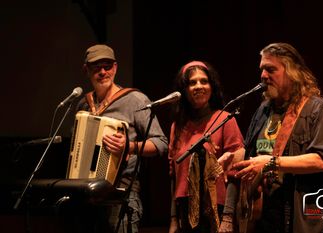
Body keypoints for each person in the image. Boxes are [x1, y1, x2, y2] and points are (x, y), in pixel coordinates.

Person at [220, 42, 323, 233]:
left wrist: (272, 163)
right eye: (261, 69)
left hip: (300, 216)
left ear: (292, 71)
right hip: (263, 217)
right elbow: (255, 150)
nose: (263, 76)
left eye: (270, 69)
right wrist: (234, 156)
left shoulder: (317, 109)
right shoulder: (264, 110)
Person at [75, 44, 168, 233]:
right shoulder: (83, 105)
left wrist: (129, 146)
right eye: (96, 67)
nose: (103, 72)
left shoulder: (135, 99)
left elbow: (161, 143)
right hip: (86, 195)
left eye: (107, 66)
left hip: (121, 194)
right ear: (86, 70)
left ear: (115, 68)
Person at [168, 61, 245, 233]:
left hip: (217, 210)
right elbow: (173, 175)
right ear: (184, 90)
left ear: (212, 86)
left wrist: (228, 217)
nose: (198, 86)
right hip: (185, 211)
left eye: (204, 81)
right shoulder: (177, 126)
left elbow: (235, 172)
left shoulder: (225, 119)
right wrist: (173, 220)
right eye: (192, 82)